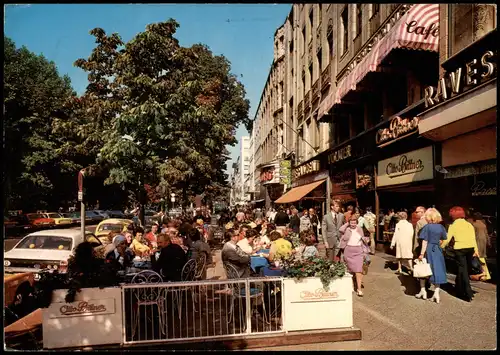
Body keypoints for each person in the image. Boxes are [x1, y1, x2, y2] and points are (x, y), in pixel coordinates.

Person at [441, 206, 479, 303]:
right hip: (470, 248)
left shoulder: (453, 226)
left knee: (463, 270)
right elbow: (473, 238)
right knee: (464, 269)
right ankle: (459, 288)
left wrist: (440, 247)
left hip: (460, 249)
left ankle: (467, 292)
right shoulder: (469, 225)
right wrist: (476, 250)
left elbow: (447, 239)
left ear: (453, 215)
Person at [415, 208, 448, 303]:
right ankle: (436, 293)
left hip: (428, 250)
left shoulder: (427, 227)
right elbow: (443, 239)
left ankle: (423, 291)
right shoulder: (441, 227)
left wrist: (421, 254)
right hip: (437, 250)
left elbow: (424, 241)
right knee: (437, 270)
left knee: (424, 270)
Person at [339, 216, 369, 297]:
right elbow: (340, 229)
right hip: (348, 250)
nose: (353, 224)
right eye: (351, 222)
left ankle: (359, 289)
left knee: (358, 270)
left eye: (354, 222)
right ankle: (351, 286)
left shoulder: (359, 229)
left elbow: (363, 239)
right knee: (350, 270)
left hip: (358, 251)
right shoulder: (347, 229)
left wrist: (366, 242)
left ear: (357, 223)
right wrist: (347, 224)